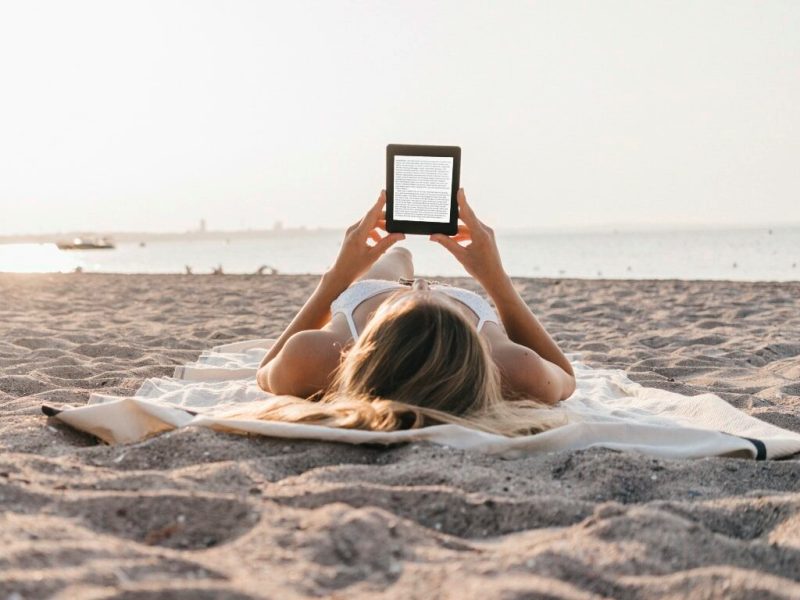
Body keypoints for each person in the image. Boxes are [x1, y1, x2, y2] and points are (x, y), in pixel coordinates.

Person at [248, 188, 575, 436]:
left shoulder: (316, 357)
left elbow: (265, 371)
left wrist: (337, 277)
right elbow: (567, 377)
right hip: (418, 324)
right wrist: (496, 280)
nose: (421, 285)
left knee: (397, 257)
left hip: (367, 297)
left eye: (411, 297)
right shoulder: (514, 370)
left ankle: (400, 257)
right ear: (473, 349)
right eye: (430, 293)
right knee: (398, 260)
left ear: (372, 343)